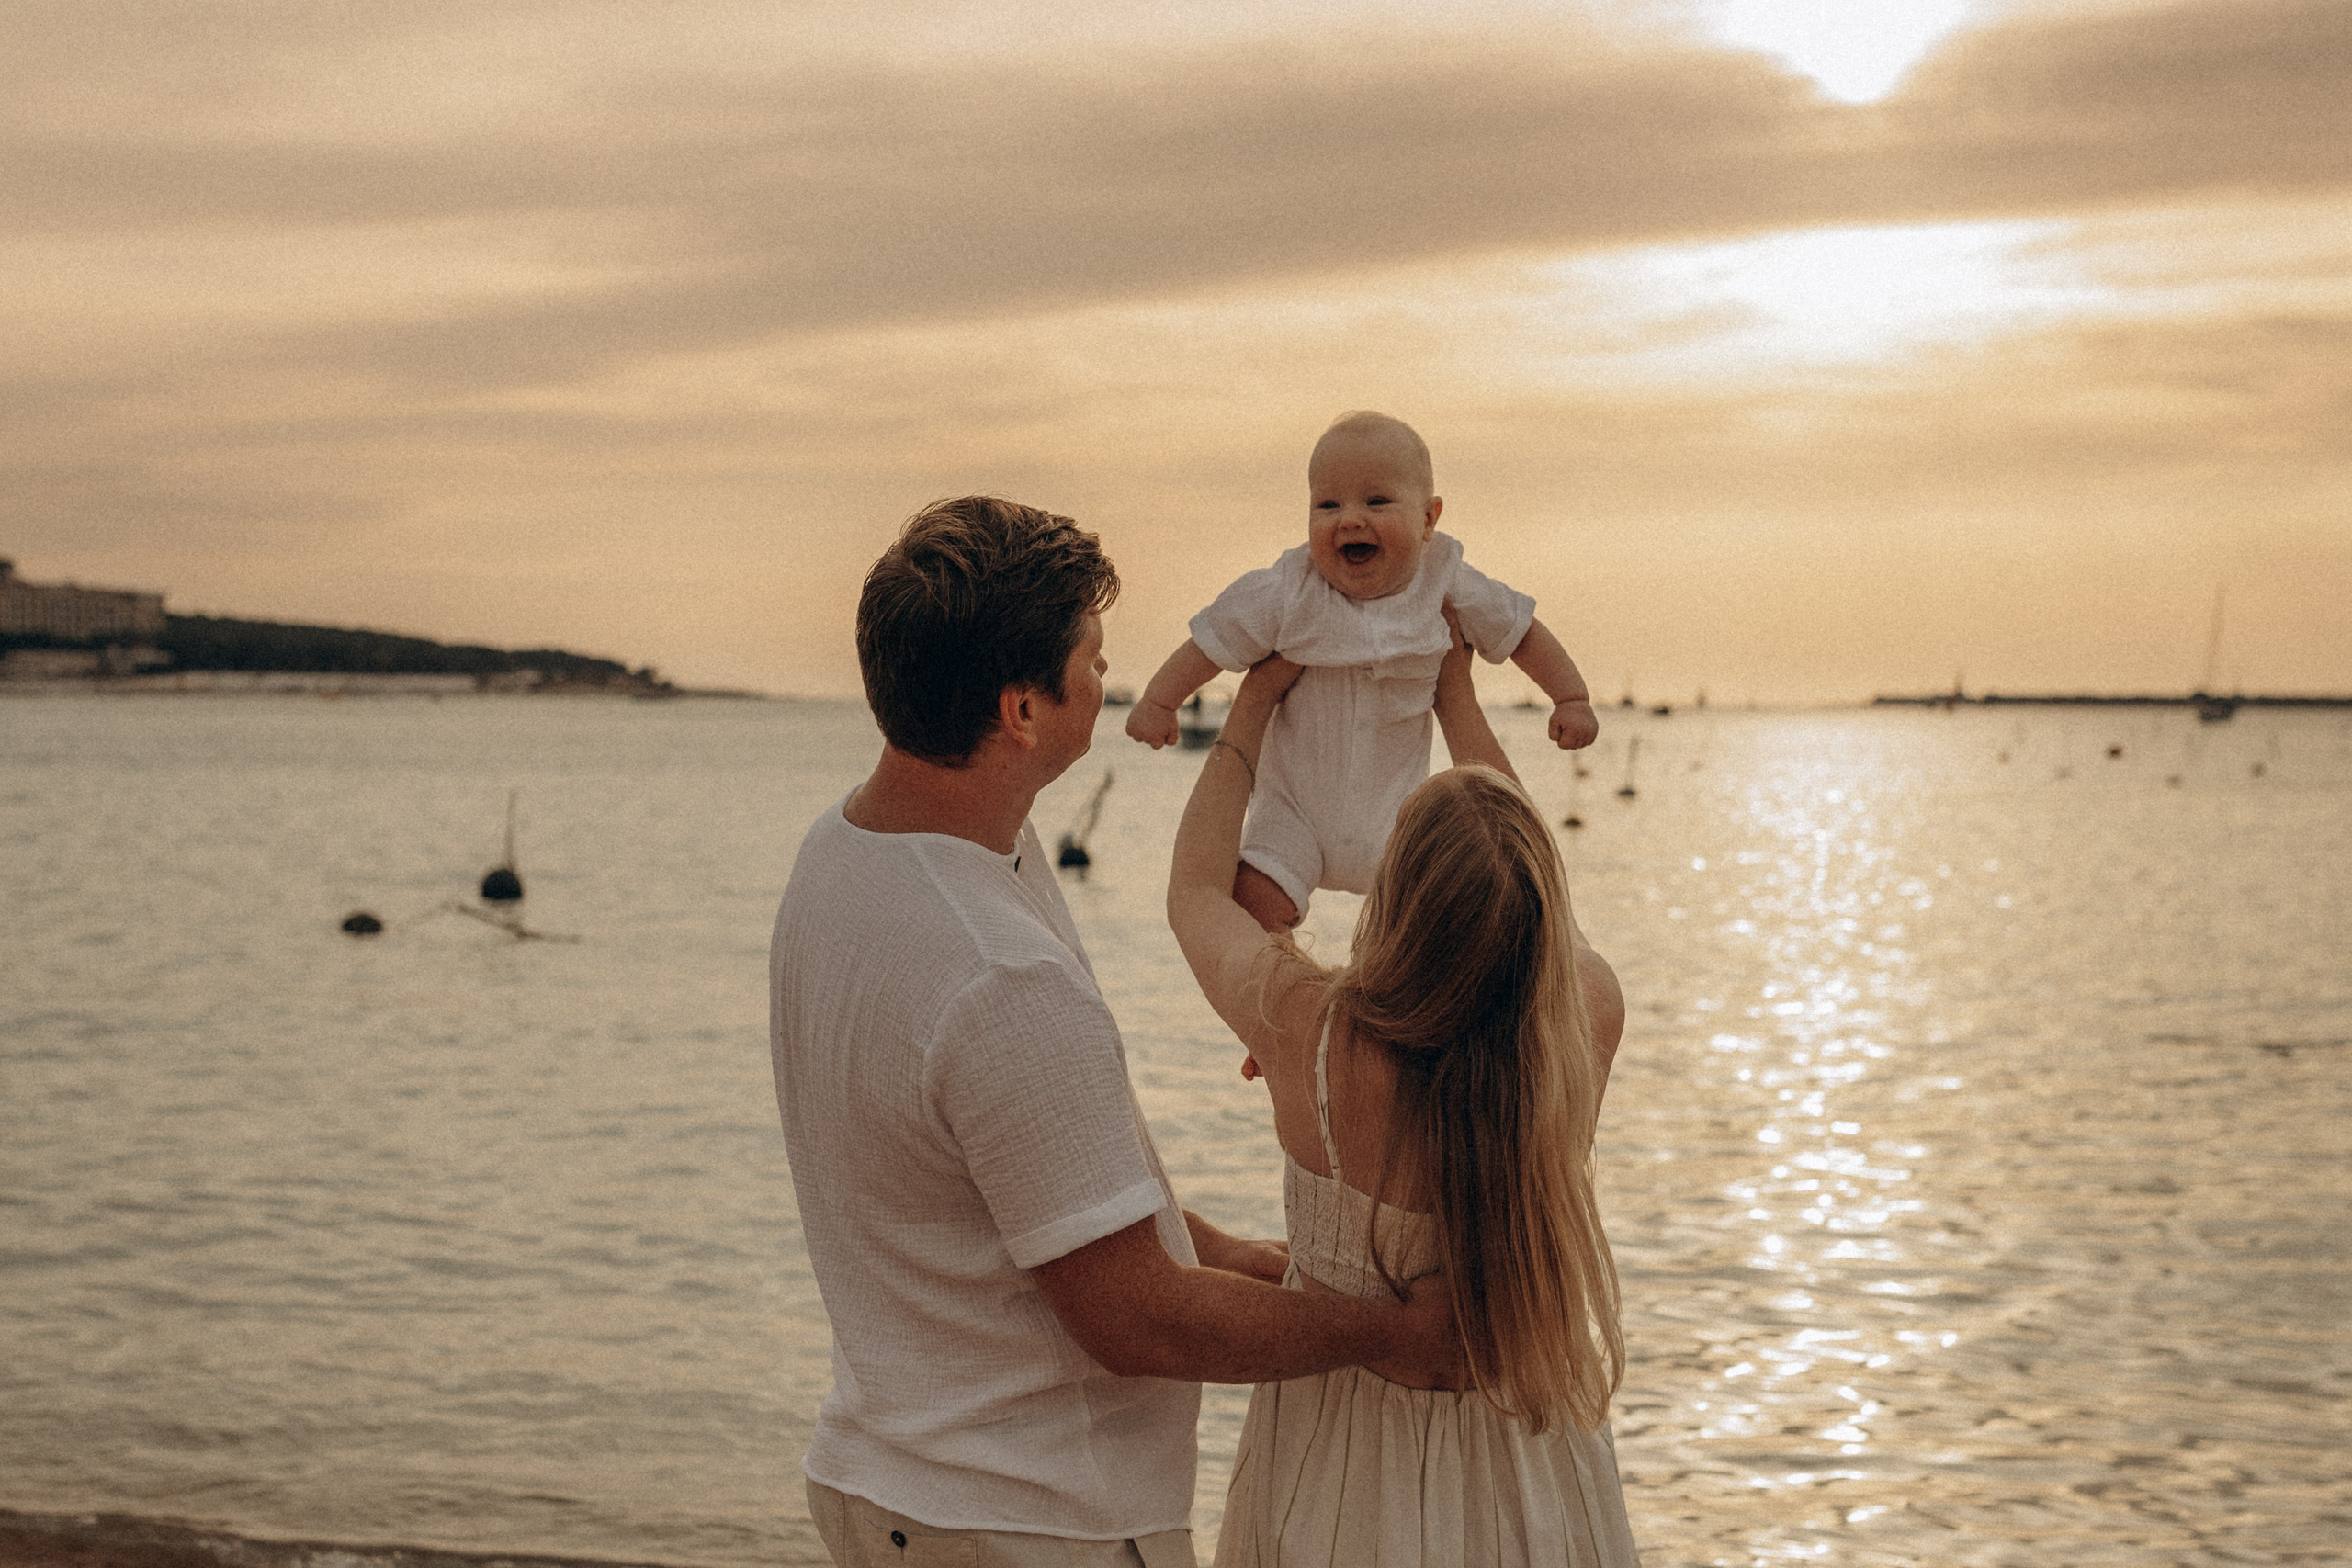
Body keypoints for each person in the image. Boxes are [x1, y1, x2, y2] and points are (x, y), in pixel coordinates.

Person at [769, 496, 1464, 1568]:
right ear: (1022, 710)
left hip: (893, 1482)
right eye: (1091, 661)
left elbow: (1022, 1191)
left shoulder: (846, 852)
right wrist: (1400, 1333)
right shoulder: (1001, 978)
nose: (1108, 679)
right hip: (1026, 1525)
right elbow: (1142, 1321)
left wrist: (1241, 1259)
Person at [1164, 623, 1640, 1565]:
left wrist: (1254, 703)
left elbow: (1195, 891)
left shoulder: (1313, 1034)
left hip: (1338, 1458)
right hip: (1534, 1451)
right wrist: (1453, 692)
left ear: (1394, 901)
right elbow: (1527, 884)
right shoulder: (1583, 1017)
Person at [1127, 410, 1599, 931]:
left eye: (1376, 501)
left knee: (1450, 911)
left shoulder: (1444, 582)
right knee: (1252, 901)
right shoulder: (1290, 590)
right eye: (1327, 505)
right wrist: (1160, 700)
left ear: (1428, 519)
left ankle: (1390, 976)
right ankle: (1279, 976)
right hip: (1293, 817)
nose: (1350, 519)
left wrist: (1570, 697)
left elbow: (1521, 630)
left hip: (1397, 817)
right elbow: (1214, 637)